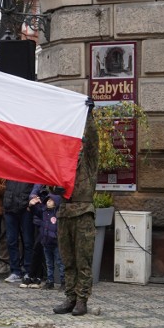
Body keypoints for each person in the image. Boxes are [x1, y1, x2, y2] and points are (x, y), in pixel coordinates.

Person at [52, 112, 98, 316]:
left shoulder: (88, 162)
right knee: (67, 260)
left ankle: (82, 300)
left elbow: (93, 142)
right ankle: (70, 297)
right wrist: (55, 189)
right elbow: (50, 180)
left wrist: (88, 117)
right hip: (64, 213)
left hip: (82, 213)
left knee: (83, 261)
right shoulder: (63, 163)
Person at [29, 193, 64, 290]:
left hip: (56, 242)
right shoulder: (43, 212)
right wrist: (32, 205)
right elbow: (35, 211)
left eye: (51, 200)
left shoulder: (58, 213)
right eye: (47, 200)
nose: (48, 201)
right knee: (49, 263)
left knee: (59, 262)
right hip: (46, 242)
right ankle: (50, 281)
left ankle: (63, 281)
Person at [3, 181, 35, 283]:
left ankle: (28, 271)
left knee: (28, 241)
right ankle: (15, 271)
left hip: (25, 208)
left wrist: (30, 203)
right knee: (11, 240)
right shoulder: (11, 167)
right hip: (10, 206)